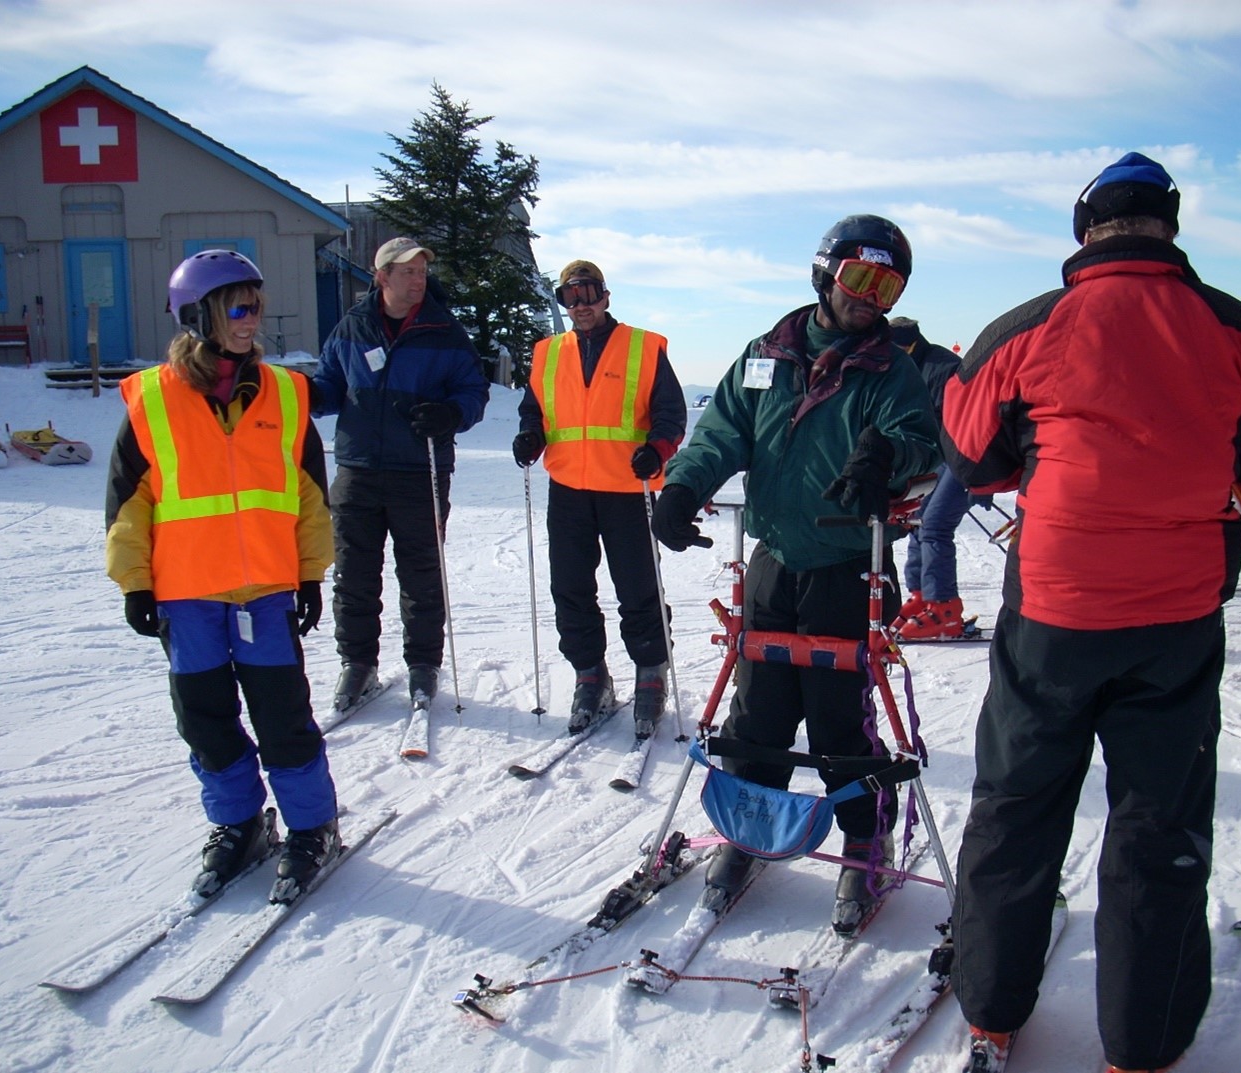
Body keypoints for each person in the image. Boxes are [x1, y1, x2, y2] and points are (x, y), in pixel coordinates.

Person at [938, 154, 1241, 1073]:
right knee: (1158, 826)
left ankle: (992, 1006)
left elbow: (967, 452)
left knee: (1018, 803)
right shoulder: (1234, 328)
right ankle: (1142, 1044)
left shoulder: (1030, 324)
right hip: (1177, 618)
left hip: (1054, 612)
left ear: (1085, 229)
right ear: (1173, 225)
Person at [651, 215, 940, 931]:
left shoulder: (890, 369)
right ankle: (752, 830)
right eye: (859, 279)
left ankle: (863, 844)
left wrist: (886, 459)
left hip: (848, 564)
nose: (871, 298)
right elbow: (722, 433)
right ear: (824, 274)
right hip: (775, 558)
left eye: (888, 286)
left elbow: (916, 440)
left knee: (842, 721)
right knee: (761, 710)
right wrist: (683, 486)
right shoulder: (765, 354)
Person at [105, 250, 342, 905]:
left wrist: (311, 574)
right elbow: (130, 501)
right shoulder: (153, 402)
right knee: (206, 721)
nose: (251, 319)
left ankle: (312, 826)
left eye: (256, 305)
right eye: (238, 306)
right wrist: (135, 582)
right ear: (198, 315)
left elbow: (310, 497)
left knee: (283, 718)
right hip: (187, 598)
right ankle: (239, 823)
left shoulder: (287, 396)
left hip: (264, 592)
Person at [311, 238, 490, 711]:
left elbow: (474, 390)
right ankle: (358, 664)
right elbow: (330, 383)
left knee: (422, 574)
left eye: (422, 271)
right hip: (358, 468)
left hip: (420, 469)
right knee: (354, 573)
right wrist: (310, 397)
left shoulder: (443, 330)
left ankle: (423, 665)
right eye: (408, 271)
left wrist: (452, 413)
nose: (419, 279)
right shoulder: (352, 328)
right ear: (382, 276)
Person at [512, 260, 687, 737]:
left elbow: (670, 413)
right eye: (571, 297)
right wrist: (530, 436)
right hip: (568, 489)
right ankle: (590, 674)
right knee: (570, 588)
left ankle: (651, 673)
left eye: (589, 295)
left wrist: (657, 449)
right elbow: (535, 412)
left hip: (628, 490)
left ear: (606, 297)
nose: (581, 306)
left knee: (638, 588)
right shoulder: (547, 353)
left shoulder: (643, 347)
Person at [886, 317, 983, 641]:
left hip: (962, 459)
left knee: (935, 526)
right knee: (915, 522)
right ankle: (923, 595)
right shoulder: (905, 365)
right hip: (934, 462)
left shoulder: (943, 367)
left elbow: (968, 423)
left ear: (908, 343)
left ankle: (944, 608)